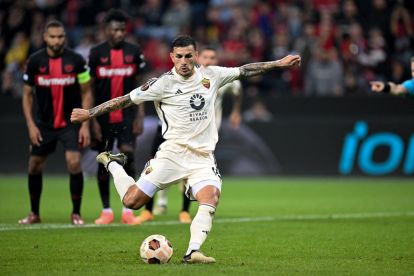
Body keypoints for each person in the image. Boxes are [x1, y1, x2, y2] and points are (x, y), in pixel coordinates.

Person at [71, 35, 300, 263]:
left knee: (211, 197)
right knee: (131, 202)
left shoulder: (212, 75)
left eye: (188, 56)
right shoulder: (162, 83)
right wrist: (90, 113)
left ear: (196, 56)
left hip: (202, 158)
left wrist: (278, 64)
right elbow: (125, 100)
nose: (183, 61)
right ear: (172, 57)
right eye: (179, 56)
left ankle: (192, 252)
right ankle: (113, 162)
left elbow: (246, 70)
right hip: (171, 155)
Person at [138, 46, 243, 224]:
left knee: (188, 172)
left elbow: (238, 89)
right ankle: (153, 207)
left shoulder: (219, 77)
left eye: (213, 57)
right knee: (159, 166)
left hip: (200, 135)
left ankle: (183, 211)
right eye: (206, 57)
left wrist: (236, 112)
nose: (209, 61)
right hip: (169, 130)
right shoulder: (177, 78)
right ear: (197, 58)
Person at [20, 20, 92, 225]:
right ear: (45, 37)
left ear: (64, 37)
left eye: (60, 36)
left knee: (74, 162)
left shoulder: (77, 60)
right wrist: (31, 125)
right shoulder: (34, 61)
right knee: (34, 164)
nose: (57, 40)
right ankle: (34, 213)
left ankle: (76, 213)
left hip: (70, 123)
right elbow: (26, 96)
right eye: (52, 36)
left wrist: (85, 123)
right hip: (43, 124)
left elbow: (87, 91)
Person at [88, 9, 146, 225]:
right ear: (106, 30)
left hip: (128, 116)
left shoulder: (134, 52)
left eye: (122, 29)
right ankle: (106, 210)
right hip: (102, 118)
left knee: (128, 156)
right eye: (115, 29)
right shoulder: (96, 53)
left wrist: (140, 116)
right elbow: (90, 89)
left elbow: (142, 88)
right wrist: (92, 119)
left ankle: (127, 210)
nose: (119, 33)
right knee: (103, 160)